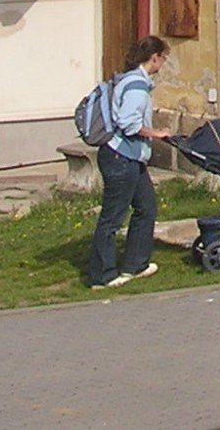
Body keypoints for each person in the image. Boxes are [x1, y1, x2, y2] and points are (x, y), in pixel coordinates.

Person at [87, 35, 174, 288]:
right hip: (120, 158)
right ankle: (102, 276)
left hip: (132, 159)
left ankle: (136, 264)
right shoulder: (136, 85)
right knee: (112, 218)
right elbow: (129, 123)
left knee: (146, 208)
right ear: (154, 58)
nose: (163, 63)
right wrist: (157, 133)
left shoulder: (132, 80)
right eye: (163, 58)